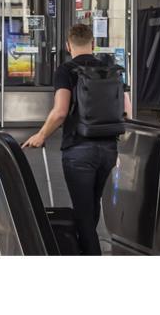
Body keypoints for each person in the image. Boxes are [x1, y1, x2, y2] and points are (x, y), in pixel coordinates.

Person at [23, 23, 132, 255]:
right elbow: (127, 110)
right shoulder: (110, 68)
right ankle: (84, 251)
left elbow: (61, 111)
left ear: (67, 45)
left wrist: (41, 135)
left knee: (83, 213)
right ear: (93, 44)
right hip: (108, 150)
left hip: (79, 150)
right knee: (92, 209)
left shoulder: (66, 70)